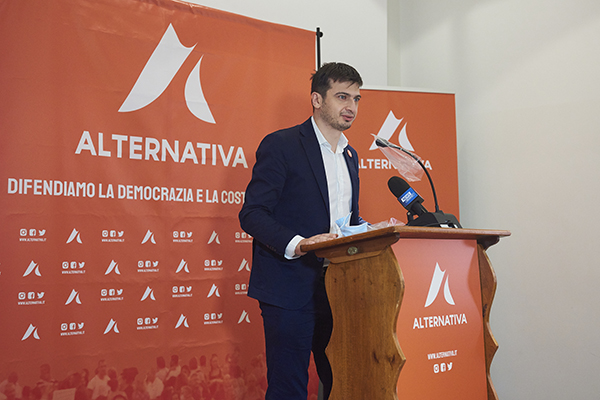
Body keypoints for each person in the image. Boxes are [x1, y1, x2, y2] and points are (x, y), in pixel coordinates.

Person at [239, 62, 364, 399]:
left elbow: (344, 220)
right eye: (342, 97)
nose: (351, 106)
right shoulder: (282, 145)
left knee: (342, 383)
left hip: (339, 287)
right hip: (289, 285)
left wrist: (367, 232)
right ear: (317, 99)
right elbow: (252, 214)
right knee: (289, 388)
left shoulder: (350, 155)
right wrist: (300, 244)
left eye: (356, 98)